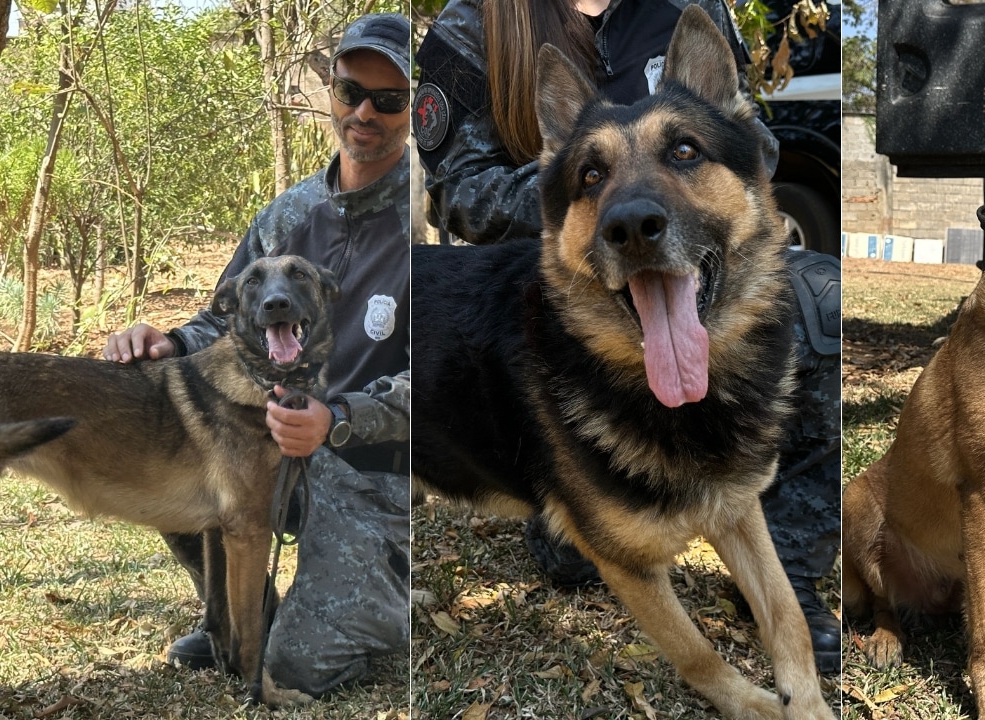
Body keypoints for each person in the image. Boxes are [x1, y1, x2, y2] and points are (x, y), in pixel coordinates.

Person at [414, 0, 840, 674]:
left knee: (823, 296)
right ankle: (562, 506)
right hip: (548, 284)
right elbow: (459, 193)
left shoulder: (685, 10)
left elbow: (751, 147)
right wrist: (592, 194)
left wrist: (660, 171)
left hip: (682, 264)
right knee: (584, 550)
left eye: (681, 149)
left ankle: (789, 568)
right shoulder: (474, 25)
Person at [103, 12, 411, 698]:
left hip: (370, 464)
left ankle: (368, 596)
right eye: (351, 90)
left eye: (388, 100)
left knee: (296, 667)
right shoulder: (287, 213)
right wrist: (167, 342)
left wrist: (341, 418)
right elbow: (225, 319)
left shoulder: (430, 221)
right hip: (267, 441)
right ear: (331, 90)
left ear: (413, 109)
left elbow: (446, 384)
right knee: (162, 463)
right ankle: (235, 620)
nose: (365, 112)